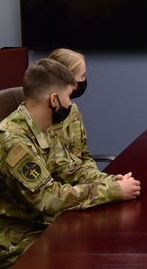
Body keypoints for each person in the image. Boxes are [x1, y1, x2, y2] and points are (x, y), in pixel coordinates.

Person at [0, 59, 140, 269]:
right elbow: (48, 198)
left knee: (101, 246)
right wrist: (112, 192)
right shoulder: (12, 142)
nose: (70, 104)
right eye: (69, 96)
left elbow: (70, 169)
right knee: (89, 266)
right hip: (10, 249)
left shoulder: (41, 128)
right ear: (53, 99)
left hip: (39, 230)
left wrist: (110, 182)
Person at [47, 47, 121, 184]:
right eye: (82, 76)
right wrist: (108, 184)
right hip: (64, 190)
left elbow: (84, 155)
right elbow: (63, 172)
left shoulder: (72, 109)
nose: (84, 80)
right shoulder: (44, 117)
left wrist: (101, 179)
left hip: (82, 184)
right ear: (66, 80)